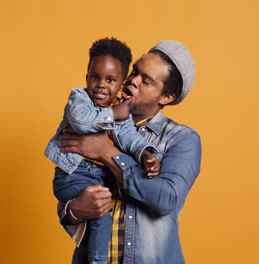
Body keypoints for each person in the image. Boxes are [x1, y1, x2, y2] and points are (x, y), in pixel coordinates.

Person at [58, 40, 202, 264]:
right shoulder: (93, 120)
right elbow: (70, 188)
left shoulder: (181, 140)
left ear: (166, 97)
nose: (132, 81)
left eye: (146, 81)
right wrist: (75, 209)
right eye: (135, 71)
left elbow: (166, 199)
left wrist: (106, 152)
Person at [45, 38, 161, 264]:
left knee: (99, 220)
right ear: (87, 77)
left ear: (121, 84)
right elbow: (81, 122)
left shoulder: (121, 111)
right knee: (102, 218)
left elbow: (129, 137)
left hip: (95, 178)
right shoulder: (80, 99)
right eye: (95, 77)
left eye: (110, 80)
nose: (101, 85)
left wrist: (146, 153)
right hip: (73, 176)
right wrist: (112, 114)